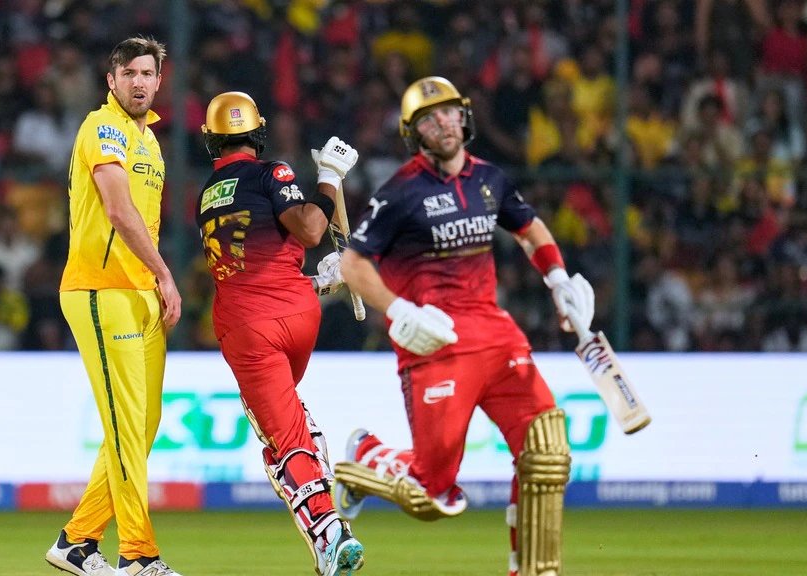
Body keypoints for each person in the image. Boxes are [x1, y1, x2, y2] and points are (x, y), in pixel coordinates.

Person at [334, 76, 595, 576]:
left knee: (546, 452)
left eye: (449, 112)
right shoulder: (401, 191)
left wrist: (558, 278)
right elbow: (353, 265)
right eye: (429, 119)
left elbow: (529, 228)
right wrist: (399, 311)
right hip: (435, 342)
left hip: (497, 337)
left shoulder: (489, 179)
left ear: (464, 116)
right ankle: (365, 456)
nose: (443, 123)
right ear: (414, 133)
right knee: (430, 496)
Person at [195, 91, 365, 576]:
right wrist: (323, 280)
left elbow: (309, 230)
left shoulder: (207, 196)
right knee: (293, 424)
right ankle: (328, 507)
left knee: (284, 441)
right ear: (258, 132)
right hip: (299, 314)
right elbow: (284, 259)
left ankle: (330, 533)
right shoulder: (271, 173)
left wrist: (328, 178)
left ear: (211, 140)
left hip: (248, 329)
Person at [44, 37, 183, 576]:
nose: (139, 82)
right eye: (129, 74)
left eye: (148, 73)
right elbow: (120, 211)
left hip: (140, 293)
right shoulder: (102, 127)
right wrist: (166, 274)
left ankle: (77, 541)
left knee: (142, 426)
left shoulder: (150, 141)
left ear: (159, 81)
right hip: (101, 290)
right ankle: (138, 555)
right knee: (127, 427)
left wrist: (154, 282)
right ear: (112, 81)